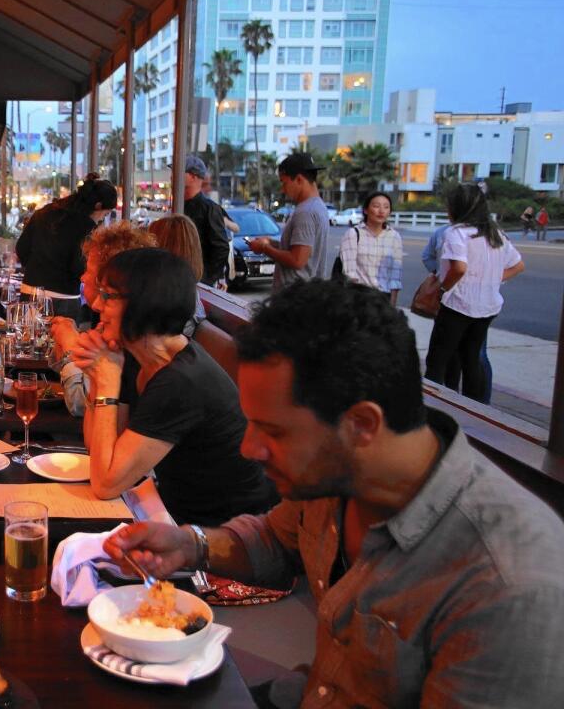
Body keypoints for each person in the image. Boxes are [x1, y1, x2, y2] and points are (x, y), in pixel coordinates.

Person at [105, 279, 564, 709]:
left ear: (362, 425)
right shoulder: (337, 477)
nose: (249, 448)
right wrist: (191, 545)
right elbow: (277, 538)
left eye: (273, 431)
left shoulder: (509, 590)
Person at [72, 248, 277, 525]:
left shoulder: (181, 380)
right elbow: (98, 448)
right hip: (172, 513)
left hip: (220, 535)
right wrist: (98, 378)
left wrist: (107, 381)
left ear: (144, 304)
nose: (96, 305)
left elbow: (106, 484)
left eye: (108, 296)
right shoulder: (138, 355)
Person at [424, 184, 524, 402]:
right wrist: (489, 279)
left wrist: (442, 289)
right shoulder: (496, 234)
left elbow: (459, 268)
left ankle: (431, 409)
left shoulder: (456, 233)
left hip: (458, 304)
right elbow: (518, 265)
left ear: (458, 207)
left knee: (438, 359)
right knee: (471, 359)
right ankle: (476, 410)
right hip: (487, 306)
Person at [49, 221, 156, 416]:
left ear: (105, 280)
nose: (82, 278)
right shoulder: (98, 317)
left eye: (88, 271)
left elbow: (79, 404)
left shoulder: (125, 335)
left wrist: (70, 349)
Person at [15, 175, 117, 321]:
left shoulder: (45, 212)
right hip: (63, 298)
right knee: (58, 342)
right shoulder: (87, 228)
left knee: (26, 340)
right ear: (98, 205)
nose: (102, 219)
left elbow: (21, 249)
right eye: (105, 214)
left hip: (30, 290)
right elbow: (79, 267)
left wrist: (37, 269)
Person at [248, 152, 329, 291]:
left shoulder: (306, 212)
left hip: (294, 298)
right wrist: (272, 243)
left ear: (298, 179)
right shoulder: (318, 206)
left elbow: (297, 260)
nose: (282, 189)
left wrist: (264, 248)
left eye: (284, 182)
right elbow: (304, 250)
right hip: (307, 294)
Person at [336, 190, 403, 305]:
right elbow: (349, 273)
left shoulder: (394, 237)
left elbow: (395, 276)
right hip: (358, 297)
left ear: (390, 212)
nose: (381, 211)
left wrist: (392, 306)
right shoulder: (353, 234)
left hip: (383, 298)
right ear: (366, 210)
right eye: (376, 206)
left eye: (386, 207)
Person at [180, 155, 229, 286]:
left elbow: (221, 247)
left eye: (179, 171)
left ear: (193, 177)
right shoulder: (178, 206)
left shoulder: (209, 209)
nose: (173, 176)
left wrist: (205, 279)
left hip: (197, 282)